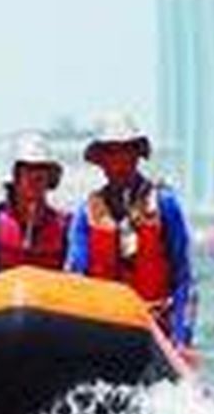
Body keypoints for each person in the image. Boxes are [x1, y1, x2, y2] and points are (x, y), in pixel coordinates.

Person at [64, 112, 198, 354]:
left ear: (138, 156)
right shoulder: (86, 214)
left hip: (155, 331)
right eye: (111, 154)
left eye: (126, 153)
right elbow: (75, 278)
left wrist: (181, 340)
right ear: (101, 161)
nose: (119, 163)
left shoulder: (164, 204)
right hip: (103, 330)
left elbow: (184, 280)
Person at [0, 131, 69, 271]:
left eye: (41, 169)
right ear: (16, 176)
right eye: (28, 169)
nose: (36, 175)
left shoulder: (64, 226)